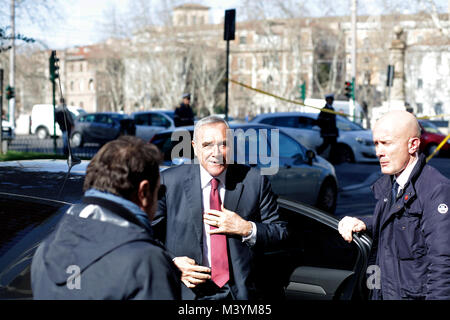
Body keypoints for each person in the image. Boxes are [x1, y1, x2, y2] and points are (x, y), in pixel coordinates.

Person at [152, 115, 288, 300]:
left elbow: (280, 233)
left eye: (223, 144)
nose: (216, 153)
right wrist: (172, 263)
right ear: (194, 147)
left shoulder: (254, 181)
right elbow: (146, 235)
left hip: (238, 294)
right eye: (207, 145)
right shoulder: (169, 182)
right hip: (186, 292)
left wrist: (247, 229)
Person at [31, 136, 181, 299]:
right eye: (160, 192)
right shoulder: (147, 262)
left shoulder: (45, 250)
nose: (159, 199)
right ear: (143, 192)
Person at [338, 110, 450, 300]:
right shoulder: (390, 184)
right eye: (376, 143)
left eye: (386, 143)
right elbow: (400, 223)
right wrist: (365, 223)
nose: (378, 152)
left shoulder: (436, 189)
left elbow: (443, 264)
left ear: (413, 144)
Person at [316, 94, 339, 161]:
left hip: (332, 132)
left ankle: (332, 159)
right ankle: (317, 153)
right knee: (325, 145)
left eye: (332, 100)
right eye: (330, 100)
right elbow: (319, 121)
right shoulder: (324, 109)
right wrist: (325, 126)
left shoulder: (332, 109)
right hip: (327, 132)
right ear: (327, 100)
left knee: (333, 146)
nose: (331, 101)